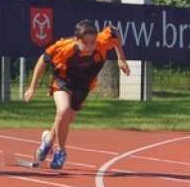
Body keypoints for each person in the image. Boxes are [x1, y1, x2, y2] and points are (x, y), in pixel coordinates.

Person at [24, 19, 130, 170]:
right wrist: (32, 87)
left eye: (92, 42)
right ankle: (61, 152)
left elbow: (115, 33)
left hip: (83, 86)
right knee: (63, 110)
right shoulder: (64, 47)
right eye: (85, 43)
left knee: (65, 120)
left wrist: (121, 59)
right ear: (76, 40)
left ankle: (47, 140)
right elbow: (43, 60)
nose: (89, 47)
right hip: (63, 80)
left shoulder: (102, 41)